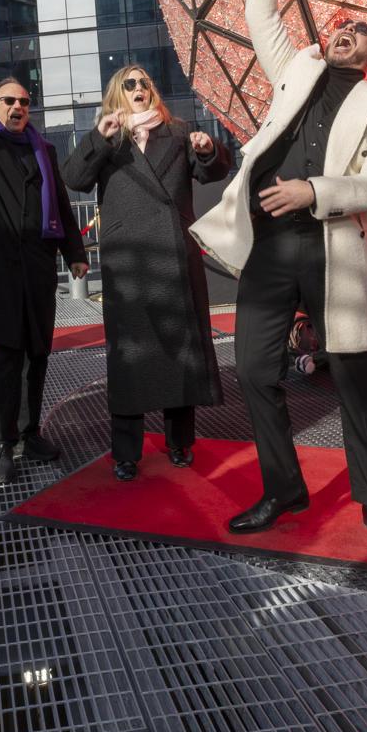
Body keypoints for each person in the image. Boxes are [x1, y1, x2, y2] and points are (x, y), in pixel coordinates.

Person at [191, 0, 367, 550]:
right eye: (342, 24)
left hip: (332, 252)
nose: (347, 30)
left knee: (355, 382)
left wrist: (313, 191)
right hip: (268, 247)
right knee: (253, 371)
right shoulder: (297, 67)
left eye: (361, 29)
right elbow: (260, 15)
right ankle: (283, 489)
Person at [62, 65, 228, 480]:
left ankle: (179, 442)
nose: (139, 88)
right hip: (128, 261)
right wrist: (99, 137)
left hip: (172, 254)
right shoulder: (108, 137)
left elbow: (212, 171)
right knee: (129, 357)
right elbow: (74, 178)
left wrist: (208, 149)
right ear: (117, 94)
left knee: (179, 350)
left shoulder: (179, 131)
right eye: (130, 84)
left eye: (145, 83)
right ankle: (126, 452)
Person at [0, 46, 88, 483]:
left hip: (38, 267)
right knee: (7, 358)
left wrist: (75, 252)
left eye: (24, 101)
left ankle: (30, 432)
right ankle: (1, 444)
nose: (18, 107)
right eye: (9, 101)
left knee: (38, 354)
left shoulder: (43, 148)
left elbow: (60, 203)